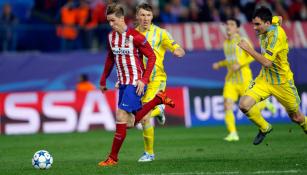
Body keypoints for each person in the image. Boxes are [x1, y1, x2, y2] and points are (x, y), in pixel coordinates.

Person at [98, 3, 175, 167]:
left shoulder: (135, 36)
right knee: (130, 123)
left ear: (121, 18)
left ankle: (113, 158)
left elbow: (152, 57)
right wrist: (103, 79)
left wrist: (144, 80)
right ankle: (158, 100)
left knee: (120, 116)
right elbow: (110, 58)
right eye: (108, 22)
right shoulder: (111, 37)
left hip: (135, 82)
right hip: (124, 84)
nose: (111, 24)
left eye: (113, 21)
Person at [237, 6, 307, 145]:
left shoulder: (276, 36)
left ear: (267, 24)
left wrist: (248, 49)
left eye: (257, 25)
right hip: (265, 79)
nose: (255, 28)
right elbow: (279, 18)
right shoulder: (271, 21)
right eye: (253, 24)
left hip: (282, 82)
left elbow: (267, 62)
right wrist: (277, 19)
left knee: (296, 117)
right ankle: (265, 127)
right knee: (244, 105)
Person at [134, 3, 185, 162]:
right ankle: (160, 109)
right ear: (137, 16)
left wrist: (178, 51)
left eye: (148, 15)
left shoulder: (161, 33)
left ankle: (149, 153)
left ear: (152, 17)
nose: (145, 19)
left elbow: (179, 48)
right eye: (142, 15)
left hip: (157, 79)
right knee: (141, 117)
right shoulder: (131, 34)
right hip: (141, 82)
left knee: (144, 117)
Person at [212, 17, 276, 142]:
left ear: (237, 28)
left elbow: (252, 57)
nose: (228, 26)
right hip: (231, 80)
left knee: (249, 106)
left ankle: (265, 103)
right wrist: (219, 64)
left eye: (231, 24)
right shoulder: (226, 43)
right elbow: (230, 61)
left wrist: (240, 64)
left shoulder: (243, 40)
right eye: (227, 24)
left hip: (244, 79)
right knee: (227, 105)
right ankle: (233, 133)